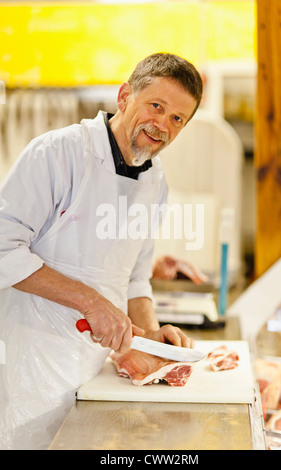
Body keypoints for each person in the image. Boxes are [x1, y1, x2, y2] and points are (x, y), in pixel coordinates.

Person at [0, 52, 203, 449]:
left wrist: (148, 337)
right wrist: (91, 302)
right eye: (156, 106)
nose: (162, 125)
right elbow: (3, 247)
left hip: (96, 371)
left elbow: (135, 275)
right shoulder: (57, 154)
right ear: (125, 96)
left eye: (177, 119)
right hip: (31, 364)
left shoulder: (155, 181)